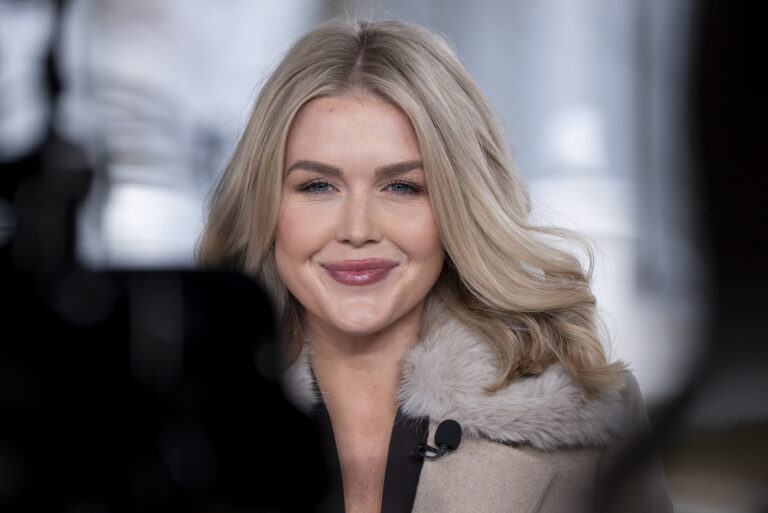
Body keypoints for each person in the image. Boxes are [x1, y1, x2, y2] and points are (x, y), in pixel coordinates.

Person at [197, 18, 672, 513]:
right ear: (264, 207)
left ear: (458, 206)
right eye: (318, 186)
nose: (357, 229)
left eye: (402, 186)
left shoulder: (588, 414)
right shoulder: (174, 412)